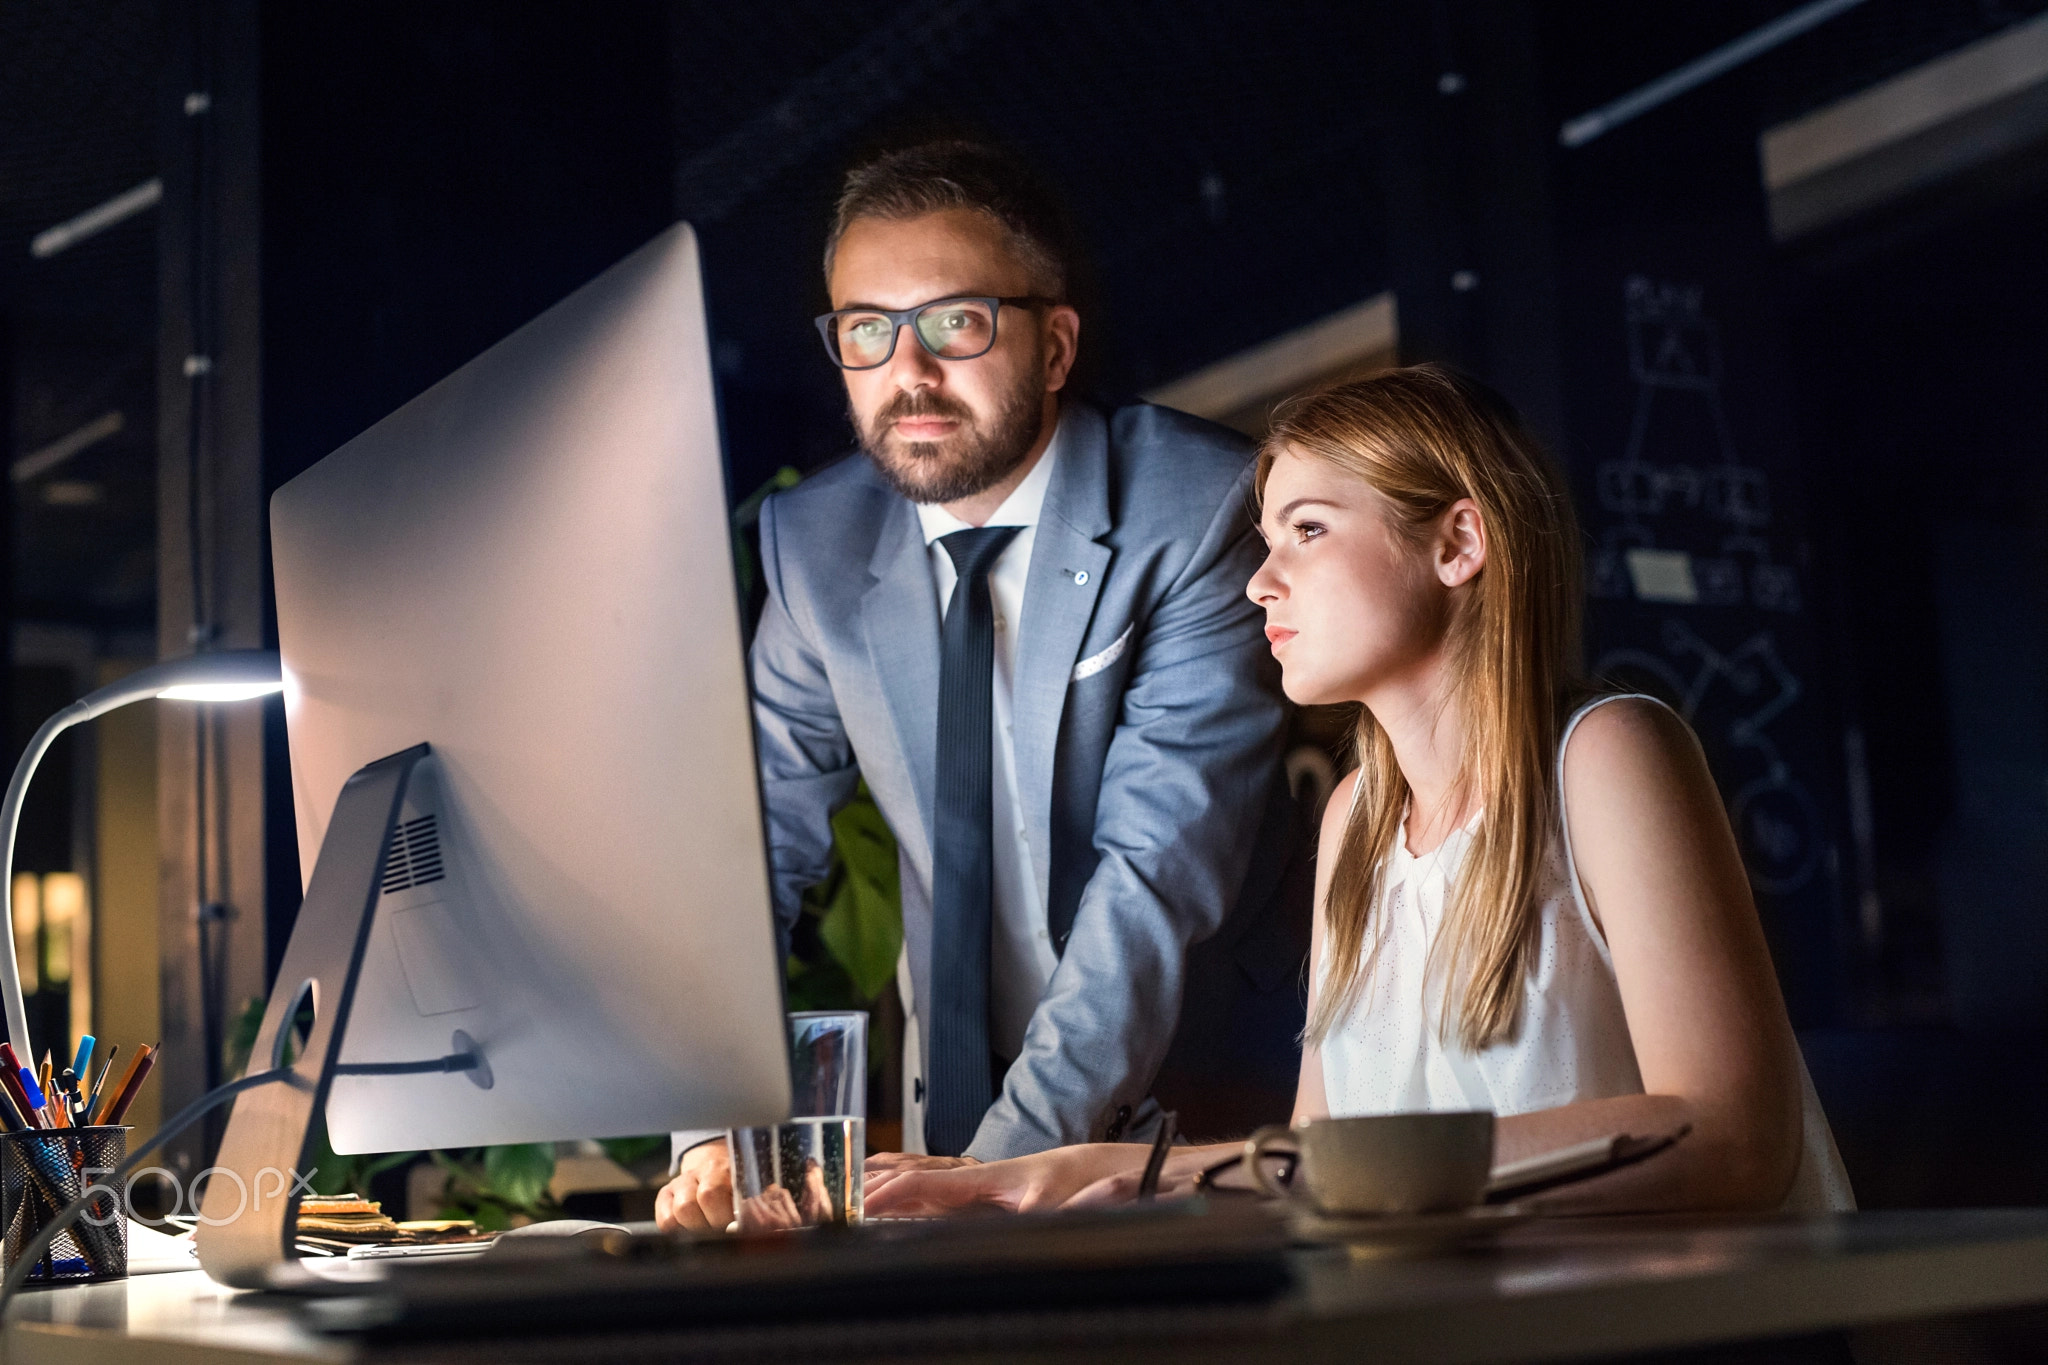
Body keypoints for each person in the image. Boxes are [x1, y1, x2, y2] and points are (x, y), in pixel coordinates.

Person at [865, 366, 1854, 1217]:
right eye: (1264, 538)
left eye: (1305, 529)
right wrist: (1064, 1173)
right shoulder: (1353, 824)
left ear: (1457, 544)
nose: (1260, 581)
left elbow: (1733, 1140)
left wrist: (1212, 1175)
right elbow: (1314, 1163)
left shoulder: (1607, 754)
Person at [656, 142, 1307, 1232]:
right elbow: (746, 849)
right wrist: (709, 1142)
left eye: (954, 322)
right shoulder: (812, 545)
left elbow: (1153, 876)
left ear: (1053, 346)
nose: (907, 374)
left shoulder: (1195, 507)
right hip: (947, 1105)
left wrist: (990, 1179)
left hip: (1196, 1110)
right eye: (866, 330)